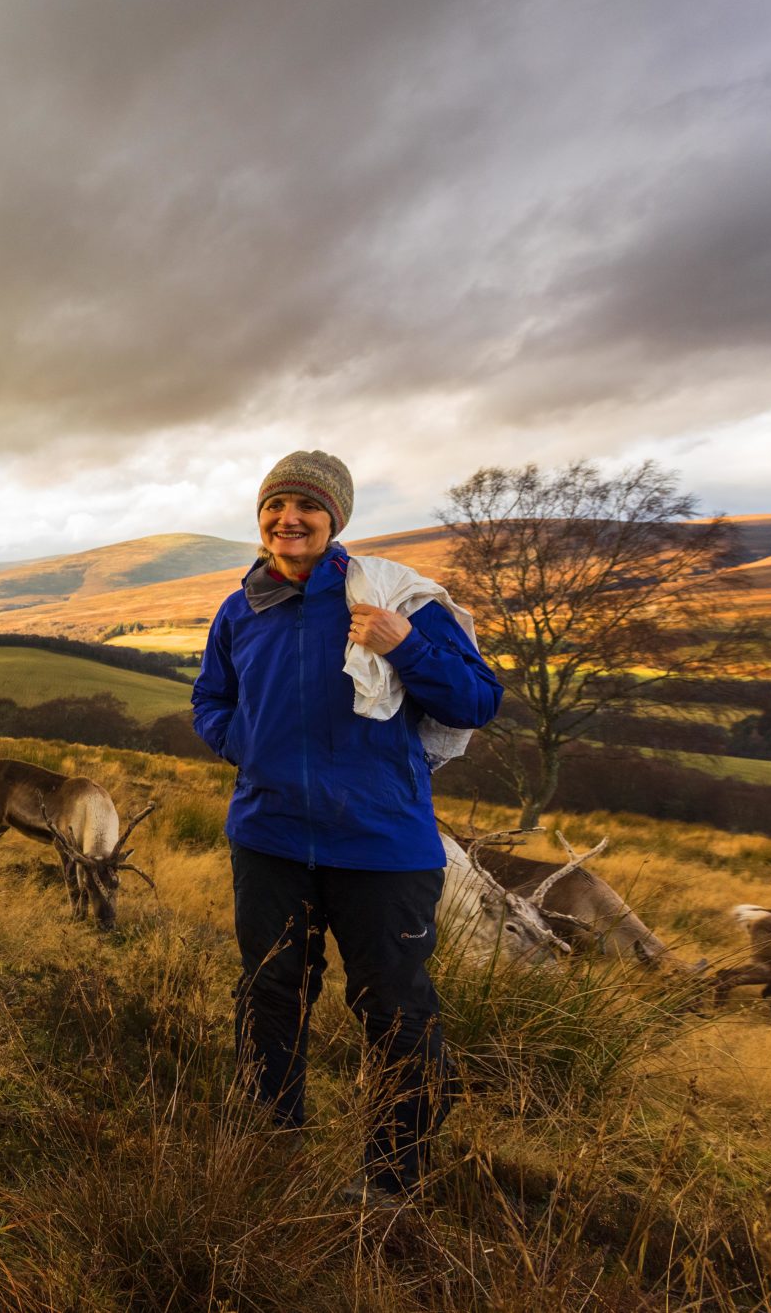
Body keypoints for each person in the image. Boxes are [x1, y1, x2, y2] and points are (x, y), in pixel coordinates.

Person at [190, 450, 502, 1207]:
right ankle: (273, 1148)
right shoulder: (242, 608)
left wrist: (406, 645)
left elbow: (477, 701)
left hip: (381, 846)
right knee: (270, 991)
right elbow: (211, 700)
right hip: (269, 839)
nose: (287, 519)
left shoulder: (396, 600)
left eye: (306, 507)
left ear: (336, 520)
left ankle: (392, 1181)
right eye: (275, 506)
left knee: (395, 1007)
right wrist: (247, 746)